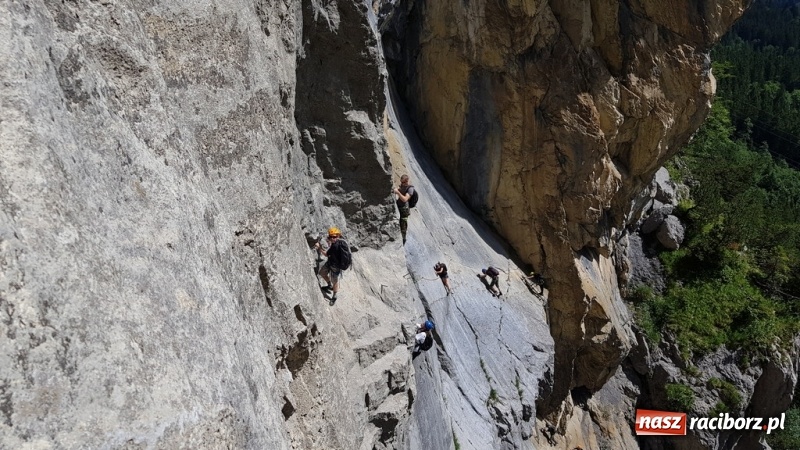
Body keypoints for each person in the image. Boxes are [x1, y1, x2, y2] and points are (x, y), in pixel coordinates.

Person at [314, 227, 349, 304]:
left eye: (335, 236)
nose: (333, 238)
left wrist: (319, 248)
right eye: (331, 237)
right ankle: (329, 286)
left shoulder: (335, 246)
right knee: (322, 273)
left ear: (338, 236)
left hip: (335, 267)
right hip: (331, 263)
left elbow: (326, 254)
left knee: (335, 281)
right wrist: (329, 242)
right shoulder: (339, 242)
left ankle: (334, 296)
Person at [393, 174, 415, 244]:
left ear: (407, 181)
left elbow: (405, 199)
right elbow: (399, 189)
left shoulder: (410, 189)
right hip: (399, 206)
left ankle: (403, 240)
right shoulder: (403, 186)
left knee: (403, 225)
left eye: (403, 182)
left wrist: (398, 192)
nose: (401, 183)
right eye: (401, 182)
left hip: (404, 209)